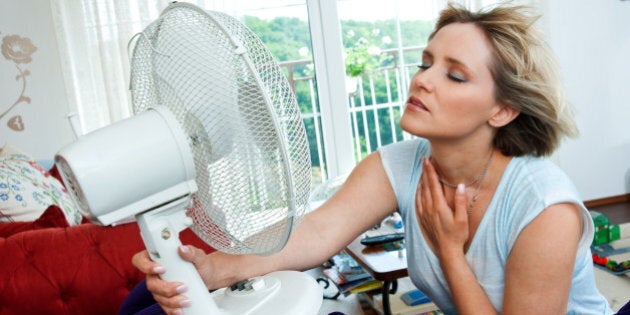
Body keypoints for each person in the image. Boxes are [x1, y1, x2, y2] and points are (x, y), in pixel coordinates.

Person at [130, 3, 617, 314]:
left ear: (503, 109)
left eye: (456, 75)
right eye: (426, 63)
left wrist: (450, 250)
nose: (421, 80)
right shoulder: (402, 163)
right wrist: (216, 268)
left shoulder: (544, 207)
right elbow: (317, 233)